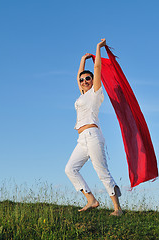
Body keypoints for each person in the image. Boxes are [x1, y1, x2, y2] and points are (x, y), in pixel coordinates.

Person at [65, 39, 123, 216]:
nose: (83, 81)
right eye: (82, 80)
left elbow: (97, 69)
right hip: (82, 139)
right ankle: (91, 200)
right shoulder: (82, 95)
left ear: (93, 81)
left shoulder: (95, 93)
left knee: (102, 172)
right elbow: (78, 76)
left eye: (87, 79)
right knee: (70, 169)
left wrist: (98, 49)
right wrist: (82, 60)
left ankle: (117, 209)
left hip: (93, 136)